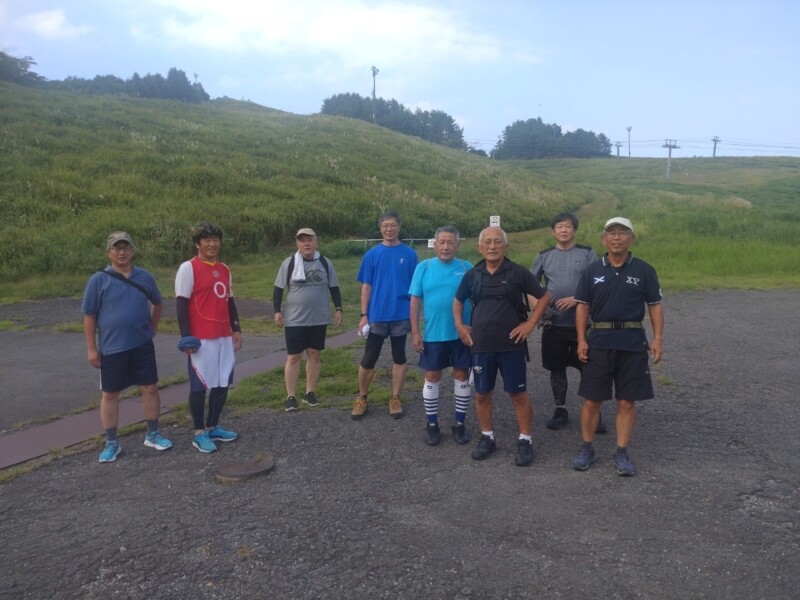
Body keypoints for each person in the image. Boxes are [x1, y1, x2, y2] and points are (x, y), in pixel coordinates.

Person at [571, 217, 664, 476]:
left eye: (622, 233)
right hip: (599, 342)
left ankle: (621, 451)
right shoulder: (592, 271)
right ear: (603, 239)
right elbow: (583, 306)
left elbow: (655, 305)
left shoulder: (644, 270)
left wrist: (657, 338)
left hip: (632, 344)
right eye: (611, 233)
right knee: (592, 400)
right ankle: (586, 447)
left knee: (626, 402)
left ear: (631, 238)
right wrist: (581, 339)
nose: (616, 237)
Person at [453, 226, 551, 466]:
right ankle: (487, 437)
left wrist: (530, 324)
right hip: (481, 345)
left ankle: (525, 440)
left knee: (518, 394)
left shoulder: (517, 272)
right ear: (480, 247)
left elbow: (545, 297)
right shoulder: (472, 274)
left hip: (512, 345)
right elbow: (457, 300)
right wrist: (460, 326)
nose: (492, 246)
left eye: (497, 242)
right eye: (487, 242)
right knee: (482, 393)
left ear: (506, 247)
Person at [82, 231, 172, 463]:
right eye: (116, 248)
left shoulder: (145, 277)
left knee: (150, 388)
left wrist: (152, 328)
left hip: (141, 345)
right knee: (110, 393)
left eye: (125, 247)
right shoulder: (98, 280)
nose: (121, 252)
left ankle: (153, 434)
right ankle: (111, 442)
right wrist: (92, 348)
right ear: (108, 252)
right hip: (112, 348)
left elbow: (158, 303)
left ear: (132, 251)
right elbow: (89, 316)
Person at [531, 212, 606, 433]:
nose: (564, 230)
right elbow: (530, 286)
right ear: (553, 231)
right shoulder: (544, 255)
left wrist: (577, 299)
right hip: (555, 325)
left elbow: (599, 283)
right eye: (559, 227)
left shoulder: (587, 253)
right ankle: (560, 409)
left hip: (585, 324)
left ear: (575, 229)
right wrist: (541, 310)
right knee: (556, 368)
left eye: (568, 226)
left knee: (589, 369)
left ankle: (594, 413)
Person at [175, 223, 243, 453]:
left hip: (224, 335)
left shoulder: (224, 268)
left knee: (222, 382)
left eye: (216, 239)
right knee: (200, 385)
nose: (212, 244)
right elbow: (181, 304)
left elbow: (229, 301)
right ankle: (198, 433)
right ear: (198, 244)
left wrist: (236, 328)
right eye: (207, 240)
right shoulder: (188, 268)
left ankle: (213, 426)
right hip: (201, 338)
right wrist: (186, 338)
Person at [409, 226, 473, 446]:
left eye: (450, 242)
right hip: (434, 334)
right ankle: (432, 424)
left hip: (462, 335)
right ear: (434, 244)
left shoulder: (467, 267)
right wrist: (416, 332)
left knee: (462, 376)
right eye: (442, 242)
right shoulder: (424, 267)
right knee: (432, 377)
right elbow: (415, 301)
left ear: (457, 245)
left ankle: (459, 423)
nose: (446, 247)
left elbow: (480, 299)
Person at [352, 211, 418, 420]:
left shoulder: (409, 255)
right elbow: (366, 287)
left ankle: (395, 397)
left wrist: (415, 317)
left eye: (392, 225)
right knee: (369, 359)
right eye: (385, 226)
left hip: (400, 314)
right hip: (377, 315)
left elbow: (415, 288)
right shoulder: (371, 255)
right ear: (380, 228)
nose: (389, 229)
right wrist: (364, 315)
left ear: (399, 227)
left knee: (399, 357)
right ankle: (362, 397)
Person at [273, 228, 343, 411]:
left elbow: (334, 287)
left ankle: (309, 393)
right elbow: (278, 289)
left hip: (318, 318)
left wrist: (338, 309)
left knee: (314, 355)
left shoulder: (325, 263)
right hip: (295, 320)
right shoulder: (289, 264)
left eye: (310, 240)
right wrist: (277, 311)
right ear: (297, 244)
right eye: (302, 240)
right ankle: (290, 396)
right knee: (294, 356)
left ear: (316, 242)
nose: (306, 244)